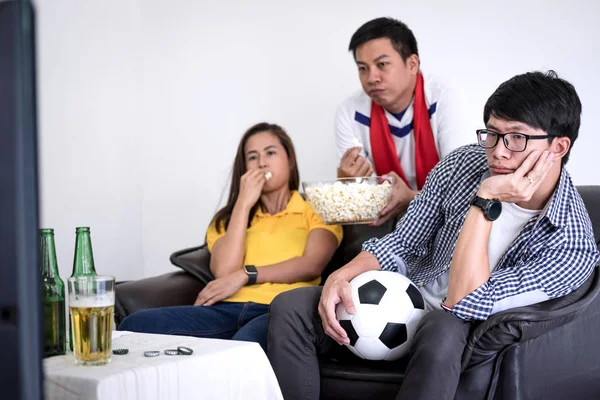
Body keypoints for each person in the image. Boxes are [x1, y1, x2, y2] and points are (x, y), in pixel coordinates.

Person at [268, 71, 600, 399]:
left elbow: (463, 302)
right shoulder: (462, 164)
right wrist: (341, 276)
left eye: (517, 138)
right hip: (397, 297)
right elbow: (401, 243)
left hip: (454, 325)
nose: (498, 151)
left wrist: (486, 199)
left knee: (442, 328)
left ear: (558, 147)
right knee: (291, 306)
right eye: (492, 134)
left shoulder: (571, 247)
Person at [119, 122, 343, 352]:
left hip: (281, 310)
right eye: (252, 157)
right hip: (225, 309)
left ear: (290, 160)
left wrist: (247, 274)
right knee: (134, 325)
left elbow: (312, 264)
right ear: (244, 167)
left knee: (241, 350)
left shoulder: (316, 207)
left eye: (271, 153)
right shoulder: (227, 219)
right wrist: (243, 204)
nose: (262, 162)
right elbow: (224, 272)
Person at [336, 17, 471, 226]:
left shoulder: (443, 97)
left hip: (447, 219)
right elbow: (362, 201)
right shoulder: (349, 111)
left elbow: (461, 185)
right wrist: (347, 185)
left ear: (412, 64)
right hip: (388, 224)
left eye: (382, 65)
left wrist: (410, 198)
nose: (372, 78)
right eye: (363, 68)